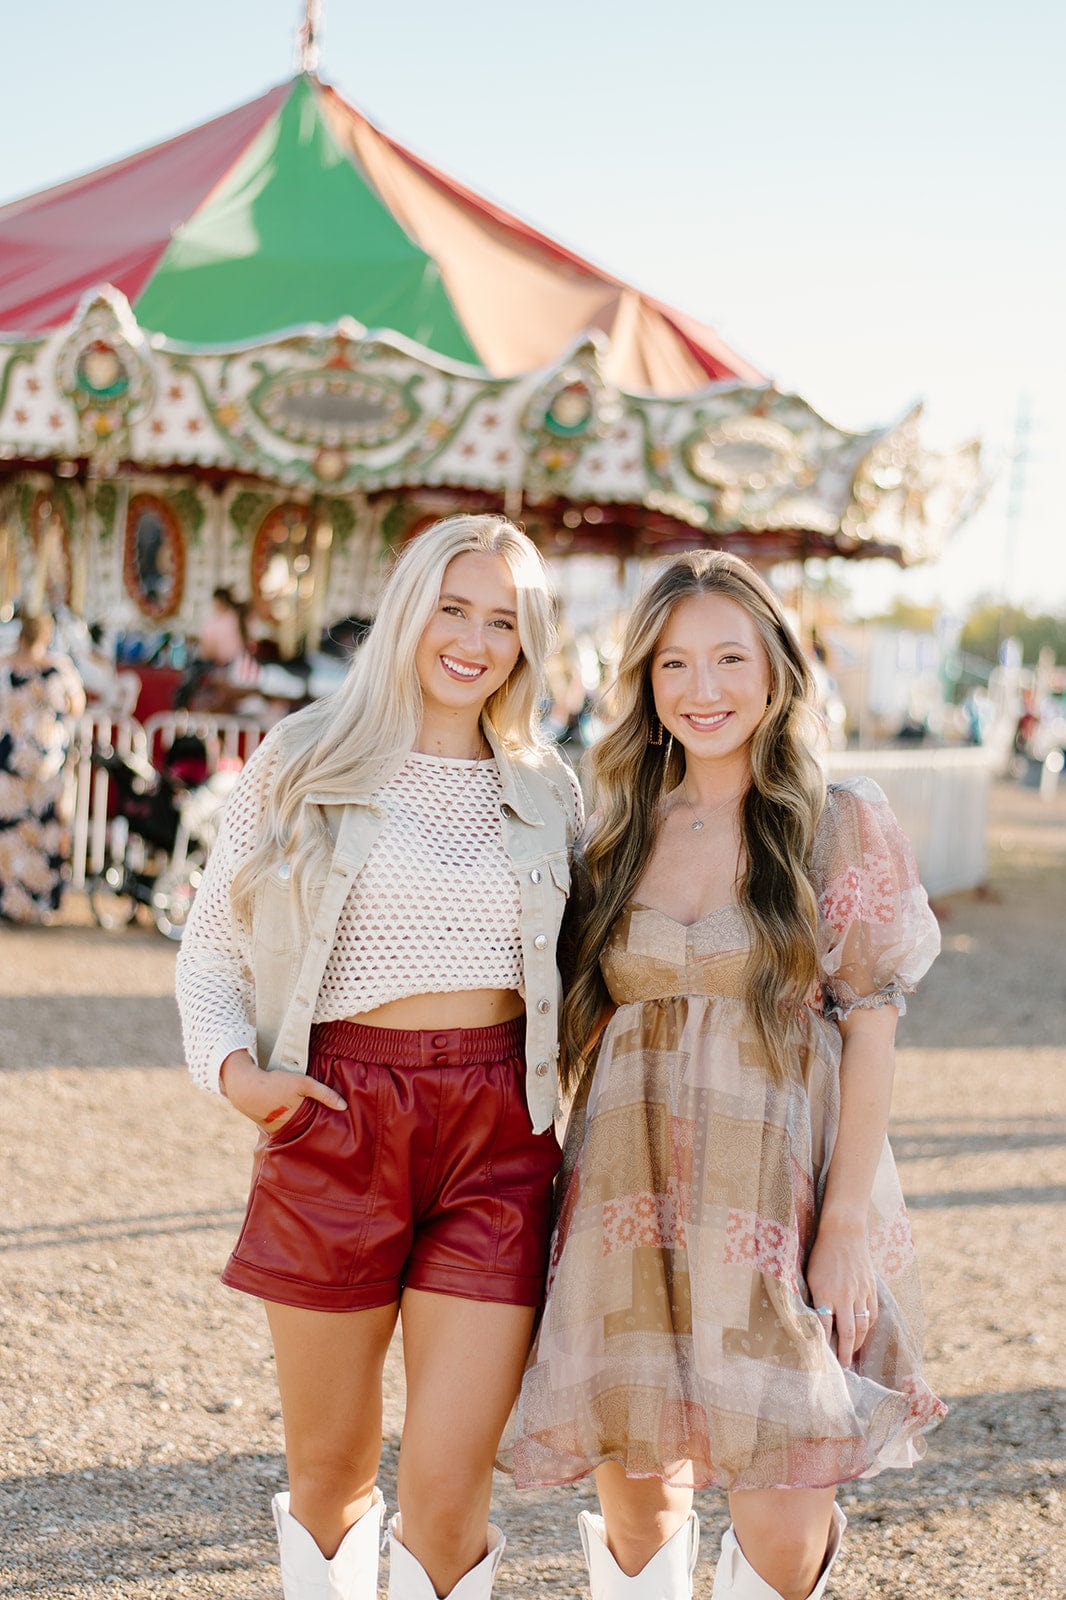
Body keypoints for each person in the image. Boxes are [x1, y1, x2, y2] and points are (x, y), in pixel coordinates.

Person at [508, 551, 944, 1600]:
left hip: (775, 1209)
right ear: (646, 687)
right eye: (673, 666)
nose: (702, 690)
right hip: (627, 1203)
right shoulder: (613, 838)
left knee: (784, 1524)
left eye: (727, 659)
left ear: (776, 671)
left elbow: (871, 1027)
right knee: (635, 1507)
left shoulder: (833, 822)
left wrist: (841, 1224)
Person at [175, 514, 583, 1600]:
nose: (474, 638)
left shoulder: (552, 786)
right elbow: (211, 945)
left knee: (449, 1496)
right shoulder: (305, 754)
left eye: (504, 619)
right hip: (336, 1115)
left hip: (500, 1135)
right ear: (409, 608)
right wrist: (236, 1075)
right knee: (331, 1473)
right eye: (453, 607)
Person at [0, 611, 85, 923]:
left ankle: (10, 903)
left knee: (10, 834)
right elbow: (77, 706)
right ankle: (40, 904)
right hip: (46, 762)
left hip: (8, 760)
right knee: (42, 832)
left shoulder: (4, 666)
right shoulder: (59, 669)